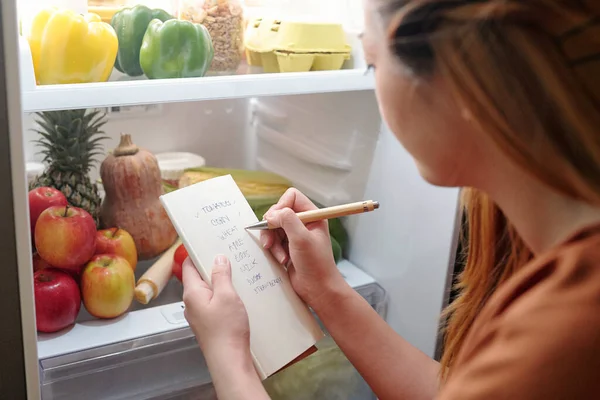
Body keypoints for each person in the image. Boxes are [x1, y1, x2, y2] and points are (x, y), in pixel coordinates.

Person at [181, 0, 600, 398]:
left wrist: (228, 356)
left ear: (460, 76)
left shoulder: (567, 330)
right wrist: (326, 291)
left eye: (374, 63)